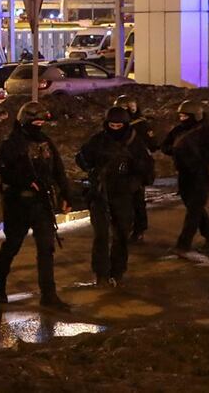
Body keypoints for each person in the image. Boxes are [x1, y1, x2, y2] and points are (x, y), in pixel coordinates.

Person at [0, 101, 73, 310]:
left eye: (41, 122)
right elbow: (4, 170)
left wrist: (66, 195)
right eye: (34, 122)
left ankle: (49, 295)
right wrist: (25, 181)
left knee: (46, 249)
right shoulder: (11, 144)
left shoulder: (45, 142)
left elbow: (58, 171)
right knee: (12, 246)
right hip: (18, 205)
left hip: (41, 205)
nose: (39, 126)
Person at [76, 107, 154, 286]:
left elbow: (147, 169)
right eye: (112, 125)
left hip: (123, 195)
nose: (115, 128)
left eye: (119, 125)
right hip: (100, 194)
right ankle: (101, 273)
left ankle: (117, 271)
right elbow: (81, 158)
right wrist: (93, 169)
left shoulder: (135, 143)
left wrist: (133, 180)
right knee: (101, 235)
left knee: (121, 235)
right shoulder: (98, 140)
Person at [161, 100, 209, 257]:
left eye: (185, 116)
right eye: (181, 116)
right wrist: (177, 152)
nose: (182, 119)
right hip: (185, 174)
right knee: (194, 209)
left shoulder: (208, 132)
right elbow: (165, 146)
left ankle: (183, 244)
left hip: (201, 175)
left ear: (196, 116)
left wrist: (199, 159)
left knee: (194, 211)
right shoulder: (178, 130)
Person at [113, 95, 158, 243]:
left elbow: (152, 144)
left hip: (136, 167)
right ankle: (126, 228)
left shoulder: (140, 125)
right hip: (120, 167)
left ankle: (138, 229)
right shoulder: (116, 124)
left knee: (137, 199)